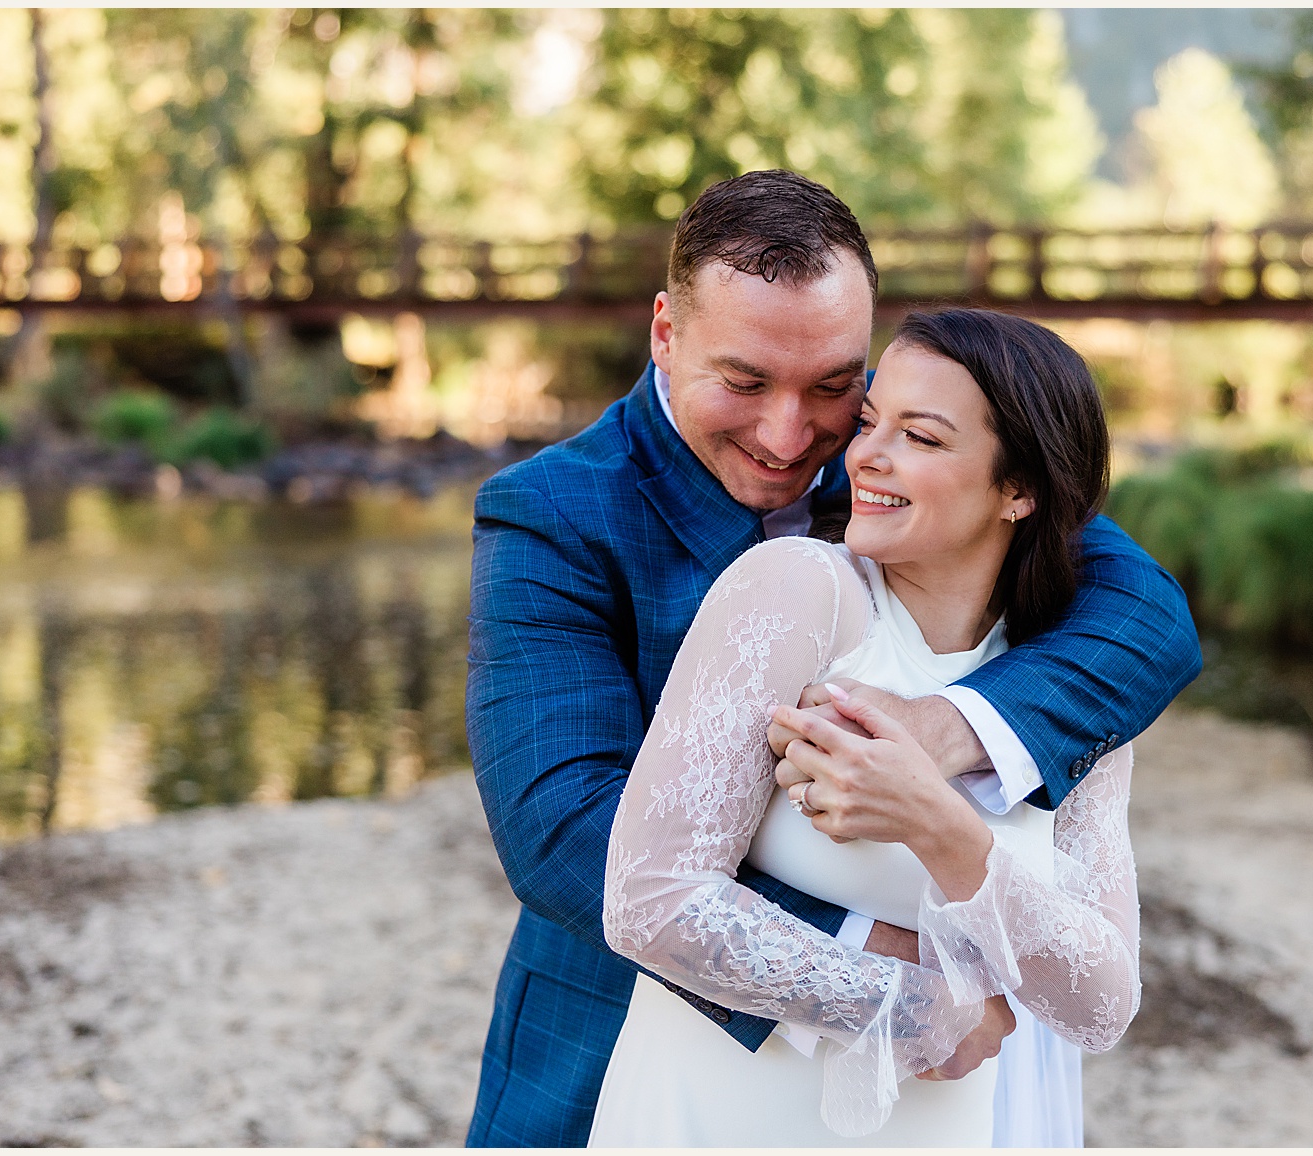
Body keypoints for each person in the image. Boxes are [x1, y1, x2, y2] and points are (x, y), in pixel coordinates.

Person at [463, 170, 1200, 1147]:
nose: (789, 436)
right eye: (743, 381)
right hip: (620, 1042)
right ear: (664, 334)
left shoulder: (894, 469)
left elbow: (1144, 614)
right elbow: (561, 830)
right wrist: (879, 960)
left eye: (829, 387)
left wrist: (948, 733)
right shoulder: (552, 515)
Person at [591, 308, 1142, 1145]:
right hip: (716, 1119)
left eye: (920, 437)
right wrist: (911, 1001)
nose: (866, 457)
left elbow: (1103, 1004)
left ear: (1019, 489)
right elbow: (649, 899)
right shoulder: (799, 593)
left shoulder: (1073, 692)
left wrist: (941, 826)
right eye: (872, 422)